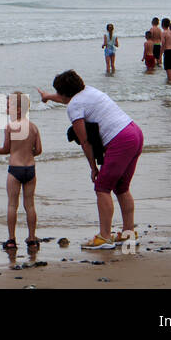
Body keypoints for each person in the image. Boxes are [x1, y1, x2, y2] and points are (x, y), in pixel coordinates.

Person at [38, 70, 143, 249]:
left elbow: (85, 141)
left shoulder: (73, 107)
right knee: (121, 187)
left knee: (102, 188)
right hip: (134, 132)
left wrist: (93, 167)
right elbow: (65, 98)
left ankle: (104, 237)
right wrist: (48, 96)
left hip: (120, 140)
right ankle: (128, 233)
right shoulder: (88, 91)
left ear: (65, 93)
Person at [0, 92, 41, 249]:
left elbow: (6, 149)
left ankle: (12, 239)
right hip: (30, 169)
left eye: (9, 106)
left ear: (19, 109)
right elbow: (39, 150)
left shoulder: (10, 127)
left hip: (15, 169)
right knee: (30, 205)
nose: (6, 108)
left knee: (12, 205)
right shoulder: (33, 127)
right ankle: (32, 238)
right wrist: (27, 153)